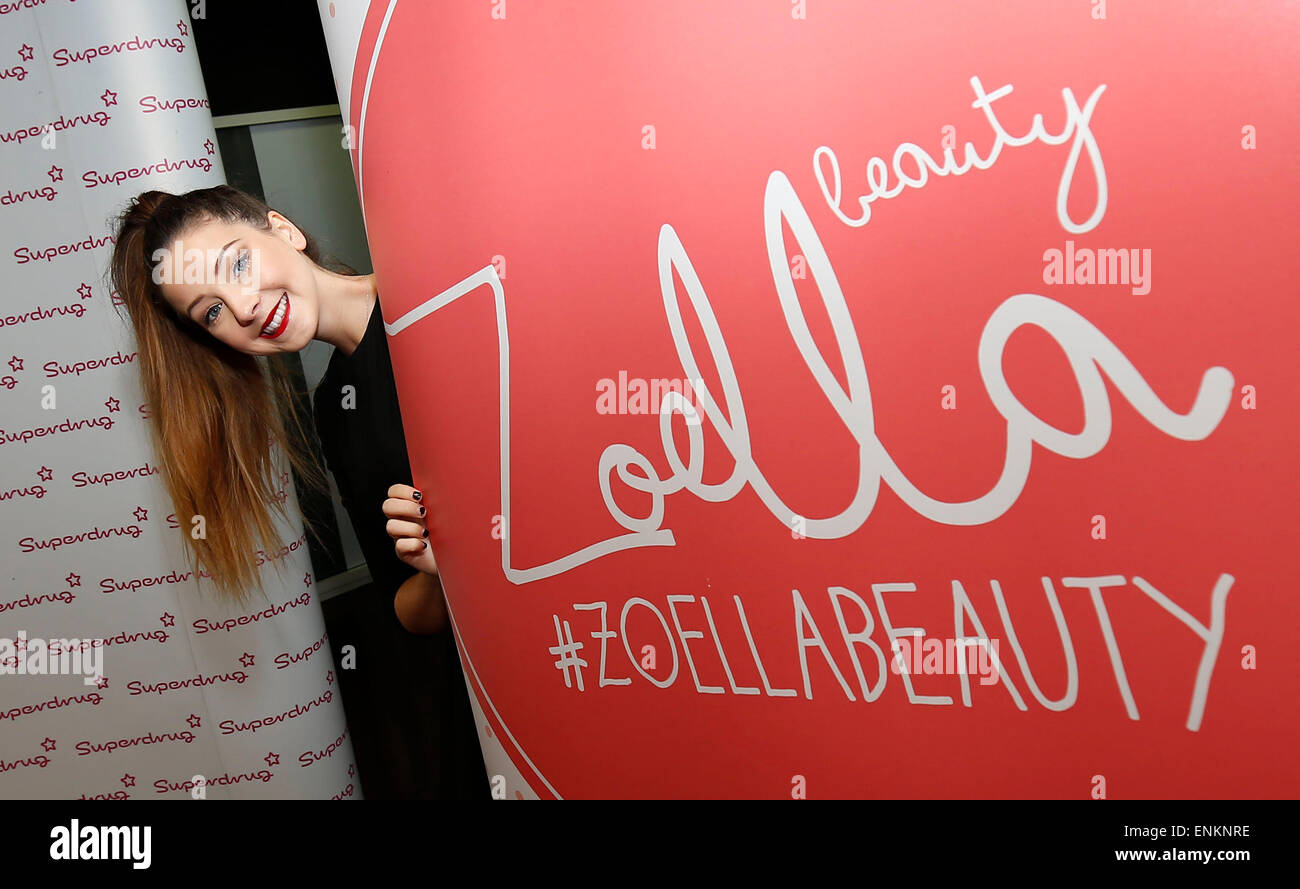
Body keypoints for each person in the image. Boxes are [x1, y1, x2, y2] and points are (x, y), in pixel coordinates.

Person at [108, 185, 487, 798]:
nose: (246, 308)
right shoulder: (337, 412)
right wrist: (442, 573)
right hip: (492, 693)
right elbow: (412, 613)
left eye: (238, 263)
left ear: (282, 230)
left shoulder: (448, 294)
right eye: (211, 312)